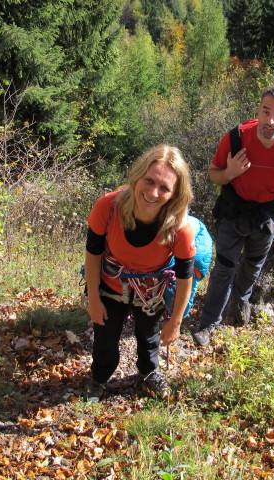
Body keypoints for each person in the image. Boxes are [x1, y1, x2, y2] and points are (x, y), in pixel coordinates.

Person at [192, 85, 274, 346]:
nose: (270, 120)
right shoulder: (236, 138)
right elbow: (214, 173)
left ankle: (235, 316)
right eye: (265, 111)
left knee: (251, 269)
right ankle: (208, 324)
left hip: (267, 218)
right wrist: (230, 173)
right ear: (258, 110)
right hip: (233, 211)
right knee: (224, 268)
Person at [83, 144, 196, 400]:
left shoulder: (180, 228)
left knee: (149, 338)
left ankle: (149, 373)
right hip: (109, 286)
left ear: (175, 194)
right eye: (149, 180)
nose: (153, 192)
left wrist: (175, 321)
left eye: (165, 188)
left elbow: (184, 277)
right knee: (105, 340)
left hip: (150, 293)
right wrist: (93, 298)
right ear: (137, 176)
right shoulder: (108, 207)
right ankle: (99, 377)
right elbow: (93, 255)